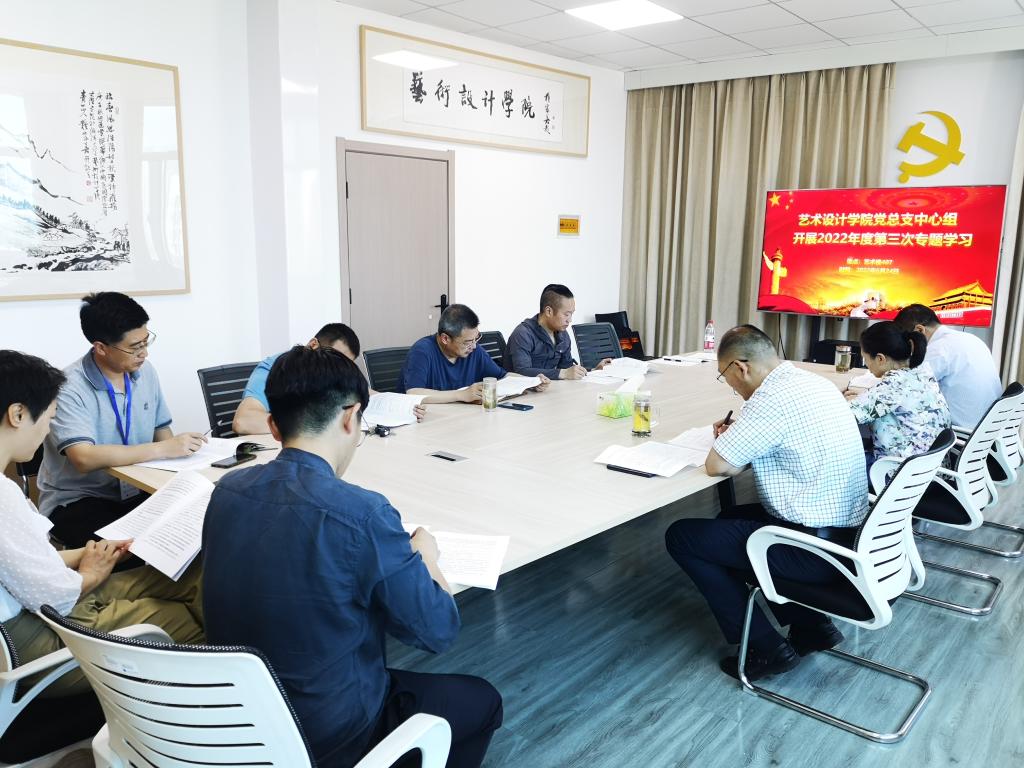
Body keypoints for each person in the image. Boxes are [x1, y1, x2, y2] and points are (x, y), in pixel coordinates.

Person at [202, 345, 502, 768]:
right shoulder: (362, 513)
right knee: (483, 700)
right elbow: (438, 631)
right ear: (350, 417)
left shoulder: (225, 490)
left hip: (232, 718)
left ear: (273, 427)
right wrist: (425, 556)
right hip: (328, 733)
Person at [664, 325, 868, 681]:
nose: (730, 386)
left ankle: (766, 648)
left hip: (814, 551)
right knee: (728, 520)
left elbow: (718, 465)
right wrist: (739, 437)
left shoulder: (770, 400)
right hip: (848, 536)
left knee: (682, 537)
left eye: (725, 376)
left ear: (740, 367)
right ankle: (811, 626)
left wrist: (730, 442)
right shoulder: (812, 382)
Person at [0, 350, 203, 697]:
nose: (48, 429)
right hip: (40, 640)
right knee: (192, 619)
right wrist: (92, 573)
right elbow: (54, 596)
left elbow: (22, 563)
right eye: (49, 418)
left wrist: (88, 554)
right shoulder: (4, 497)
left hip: (42, 608)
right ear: (18, 414)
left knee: (189, 577)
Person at [37, 293, 208, 547]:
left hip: (138, 487)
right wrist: (163, 449)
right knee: (144, 547)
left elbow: (161, 430)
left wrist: (179, 462)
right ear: (101, 348)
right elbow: (83, 458)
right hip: (80, 499)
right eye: (134, 347)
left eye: (146, 342)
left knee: (202, 527)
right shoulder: (69, 387)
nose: (144, 353)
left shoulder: (145, 372)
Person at [232, 322, 424, 435]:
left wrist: (403, 405)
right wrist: (318, 424)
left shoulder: (332, 372)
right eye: (335, 359)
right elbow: (243, 421)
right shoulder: (275, 369)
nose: (337, 369)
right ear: (313, 345)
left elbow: (367, 393)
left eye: (344, 364)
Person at [846, 322, 950, 468]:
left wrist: (849, 400)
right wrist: (866, 397)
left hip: (900, 471)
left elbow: (844, 416)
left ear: (880, 359)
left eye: (866, 359)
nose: (867, 365)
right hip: (932, 470)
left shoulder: (893, 385)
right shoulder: (922, 371)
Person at [398, 303, 548, 402]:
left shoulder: (474, 351)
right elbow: (413, 393)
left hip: (461, 418)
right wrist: (460, 395)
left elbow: (503, 376)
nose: (474, 346)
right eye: (468, 342)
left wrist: (530, 382)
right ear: (445, 338)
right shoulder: (422, 351)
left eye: (476, 338)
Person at [893, 304, 1002, 429]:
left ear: (919, 330)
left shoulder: (939, 349)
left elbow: (903, 389)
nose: (909, 350)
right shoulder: (971, 339)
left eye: (907, 344)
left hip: (963, 432)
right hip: (989, 429)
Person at [506, 284, 611, 379]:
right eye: (566, 314)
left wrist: (593, 371)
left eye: (571, 314)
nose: (570, 320)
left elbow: (567, 368)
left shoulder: (563, 335)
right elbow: (521, 372)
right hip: (523, 392)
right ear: (549, 311)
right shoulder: (523, 334)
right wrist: (562, 373)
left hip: (550, 389)